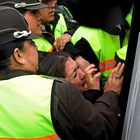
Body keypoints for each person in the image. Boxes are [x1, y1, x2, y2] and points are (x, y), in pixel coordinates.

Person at [0, 6, 125, 140]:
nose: (36, 47)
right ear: (18, 55)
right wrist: (111, 93)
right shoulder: (56, 92)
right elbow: (101, 130)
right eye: (31, 43)